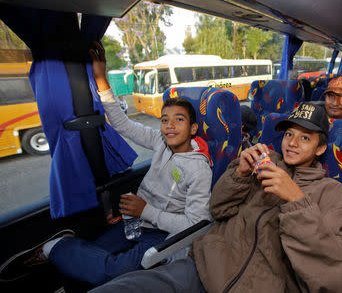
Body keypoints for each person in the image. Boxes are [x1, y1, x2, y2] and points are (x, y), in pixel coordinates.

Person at [89, 102, 342, 293]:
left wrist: (297, 203)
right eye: (289, 134)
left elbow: (341, 279)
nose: (292, 143)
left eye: (305, 138)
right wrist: (240, 174)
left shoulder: (333, 194)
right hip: (206, 266)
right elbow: (217, 209)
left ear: (321, 149)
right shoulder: (264, 164)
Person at [0, 41, 213, 286]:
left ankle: (53, 247)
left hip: (163, 233)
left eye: (179, 119)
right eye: (164, 119)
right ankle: (65, 249)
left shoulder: (199, 168)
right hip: (136, 220)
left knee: (112, 273)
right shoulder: (159, 141)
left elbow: (196, 224)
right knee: (90, 256)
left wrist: (146, 210)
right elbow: (122, 124)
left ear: (194, 128)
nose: (169, 125)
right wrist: (101, 79)